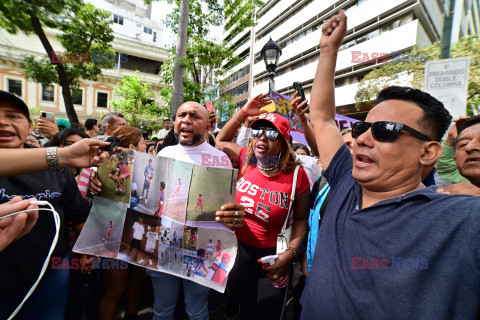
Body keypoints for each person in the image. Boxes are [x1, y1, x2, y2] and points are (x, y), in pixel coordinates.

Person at [301, 11, 480, 319]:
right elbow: (322, 118)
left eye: (385, 130)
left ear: (428, 153)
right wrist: (328, 49)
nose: (363, 139)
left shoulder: (460, 217)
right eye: (361, 129)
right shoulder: (345, 181)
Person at [147, 101, 246, 320]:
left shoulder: (220, 159)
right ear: (174, 122)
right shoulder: (163, 154)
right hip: (164, 246)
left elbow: (228, 207)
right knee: (162, 310)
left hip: (199, 250)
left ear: (208, 126)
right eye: (181, 115)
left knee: (197, 310)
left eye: (194, 116)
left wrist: (234, 214)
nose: (186, 120)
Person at [216, 94, 310, 320]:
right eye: (257, 132)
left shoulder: (297, 175)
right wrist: (244, 112)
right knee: (243, 310)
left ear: (284, 140)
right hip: (239, 254)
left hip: (274, 259)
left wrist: (290, 254)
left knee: (268, 313)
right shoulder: (246, 160)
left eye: (271, 134)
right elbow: (220, 140)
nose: (261, 138)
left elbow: (301, 220)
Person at [0, 90, 92, 320]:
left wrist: (89, 253)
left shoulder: (58, 166)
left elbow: (79, 216)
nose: (3, 122)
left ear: (30, 126)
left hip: (51, 273)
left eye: (13, 116)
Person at [94, 126, 147, 320]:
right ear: (132, 146)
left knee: (135, 281)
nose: (146, 147)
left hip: (136, 234)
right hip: (115, 236)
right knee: (115, 290)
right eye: (143, 143)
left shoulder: (143, 168)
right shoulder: (110, 165)